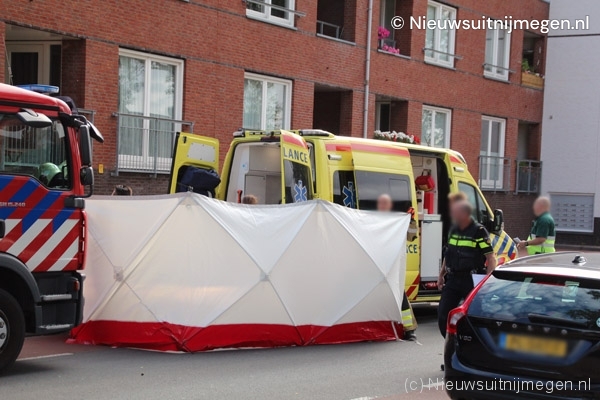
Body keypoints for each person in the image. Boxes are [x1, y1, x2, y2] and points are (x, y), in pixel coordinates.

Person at [437, 200, 496, 338]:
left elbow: (491, 258)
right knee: (443, 314)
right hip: (453, 279)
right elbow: (448, 254)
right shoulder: (453, 229)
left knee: (472, 314)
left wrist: (487, 281)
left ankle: (471, 343)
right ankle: (451, 342)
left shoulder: (478, 231)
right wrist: (441, 275)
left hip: (471, 279)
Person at [376, 194, 418, 342]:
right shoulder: (373, 219)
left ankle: (409, 330)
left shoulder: (396, 220)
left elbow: (411, 237)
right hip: (377, 264)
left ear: (390, 205)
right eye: (381, 203)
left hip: (393, 265)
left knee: (400, 297)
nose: (382, 206)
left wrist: (411, 221)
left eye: (385, 203)